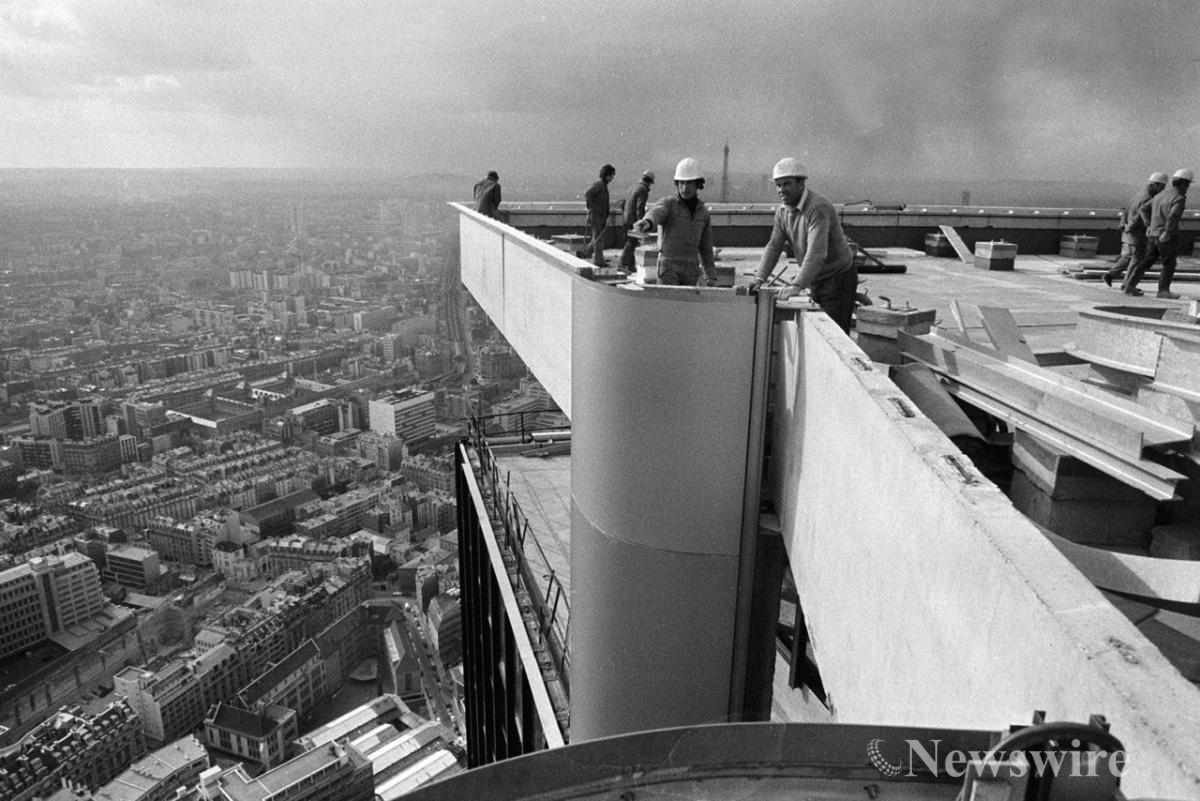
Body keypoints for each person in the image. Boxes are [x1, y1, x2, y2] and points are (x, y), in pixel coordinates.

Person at [748, 158, 856, 333]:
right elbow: (774, 246)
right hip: (817, 279)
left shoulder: (817, 208)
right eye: (778, 185)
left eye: (786, 184)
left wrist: (796, 286)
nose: (781, 190)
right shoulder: (783, 211)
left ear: (801, 183)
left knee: (834, 335)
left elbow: (817, 253)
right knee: (819, 331)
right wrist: (759, 278)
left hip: (837, 278)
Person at [631, 158, 717, 287]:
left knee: (686, 305)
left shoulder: (703, 213)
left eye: (689, 183)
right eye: (681, 183)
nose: (684, 187)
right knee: (668, 305)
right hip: (669, 269)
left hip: (691, 270)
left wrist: (710, 276)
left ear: (698, 184)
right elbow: (657, 212)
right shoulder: (668, 204)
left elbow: (706, 249)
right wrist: (648, 222)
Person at [1123, 168, 1192, 298]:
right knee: (1169, 263)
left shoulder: (1161, 195)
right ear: (1183, 184)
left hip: (1153, 234)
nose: (1187, 188)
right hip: (1166, 236)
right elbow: (1173, 216)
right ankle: (1163, 291)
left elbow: (1143, 209)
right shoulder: (1178, 198)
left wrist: (1148, 225)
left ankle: (1129, 286)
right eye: (1187, 185)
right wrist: (1167, 232)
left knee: (1146, 261)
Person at [1104, 172, 1168, 287]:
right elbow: (1139, 217)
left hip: (1128, 233)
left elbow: (1126, 210)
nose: (1162, 190)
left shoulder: (1138, 195)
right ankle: (1127, 284)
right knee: (1136, 260)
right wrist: (1131, 227)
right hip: (1136, 234)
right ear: (1155, 185)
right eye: (1162, 186)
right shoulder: (1147, 198)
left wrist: (1123, 225)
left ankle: (1110, 275)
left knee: (1127, 256)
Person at [581, 164, 616, 268]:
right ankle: (598, 261)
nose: (612, 178)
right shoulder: (599, 185)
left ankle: (592, 255)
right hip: (596, 215)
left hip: (601, 215)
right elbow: (588, 194)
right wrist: (594, 208)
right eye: (612, 175)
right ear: (607, 175)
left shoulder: (603, 186)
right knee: (598, 239)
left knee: (598, 238)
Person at [620, 170, 655, 271]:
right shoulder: (643, 190)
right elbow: (640, 208)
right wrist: (641, 223)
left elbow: (624, 204)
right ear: (649, 181)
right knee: (631, 243)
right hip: (633, 221)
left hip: (625, 219)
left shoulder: (633, 187)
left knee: (629, 242)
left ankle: (630, 266)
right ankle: (622, 264)